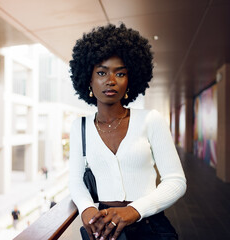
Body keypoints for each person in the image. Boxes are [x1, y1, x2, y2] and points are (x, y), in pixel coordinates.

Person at [68, 23, 186, 240]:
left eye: (120, 73)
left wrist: (133, 211)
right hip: (103, 227)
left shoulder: (151, 119)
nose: (111, 81)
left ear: (130, 80)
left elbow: (176, 181)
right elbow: (75, 181)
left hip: (150, 225)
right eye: (102, 72)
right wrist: (87, 209)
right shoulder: (80, 127)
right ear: (88, 79)